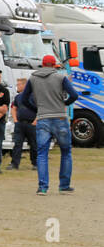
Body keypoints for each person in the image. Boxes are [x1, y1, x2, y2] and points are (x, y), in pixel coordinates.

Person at [23, 55, 80, 194]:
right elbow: (74, 95)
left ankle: (42, 187)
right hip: (60, 117)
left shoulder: (33, 78)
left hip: (43, 118)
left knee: (42, 153)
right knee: (66, 152)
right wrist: (64, 103)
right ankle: (64, 186)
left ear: (42, 64)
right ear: (54, 65)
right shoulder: (61, 78)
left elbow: (24, 99)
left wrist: (37, 109)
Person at [9, 76, 37, 170]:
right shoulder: (18, 97)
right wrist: (15, 120)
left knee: (34, 145)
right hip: (20, 124)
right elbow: (13, 108)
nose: (17, 86)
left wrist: (35, 121)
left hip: (32, 124)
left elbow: (41, 110)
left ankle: (35, 164)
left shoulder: (35, 96)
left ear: (25, 85)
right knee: (17, 144)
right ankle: (14, 164)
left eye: (19, 84)